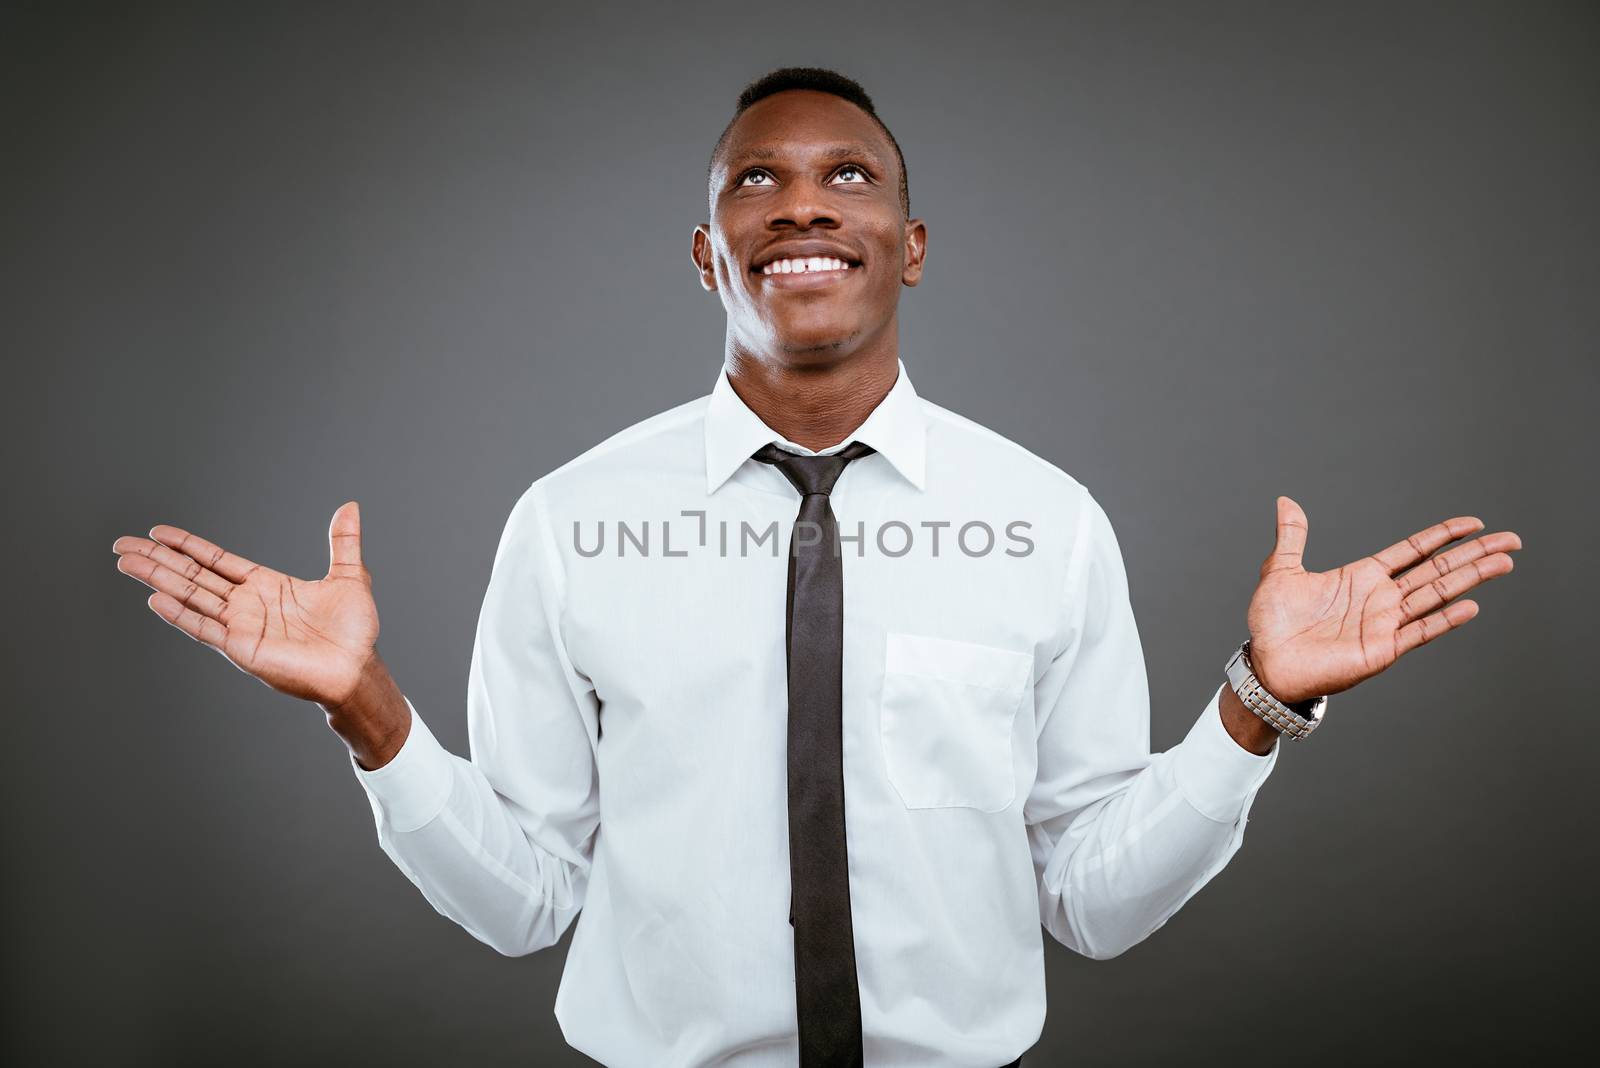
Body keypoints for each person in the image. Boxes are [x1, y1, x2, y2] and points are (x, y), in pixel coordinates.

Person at [110, 67, 1523, 1068]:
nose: (801, 207)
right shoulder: (566, 520)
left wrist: (1255, 703)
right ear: (703, 253)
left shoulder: (1047, 519)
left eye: (848, 176)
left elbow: (1088, 900)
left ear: (908, 247)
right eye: (756, 183)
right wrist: (365, 709)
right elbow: (527, 900)